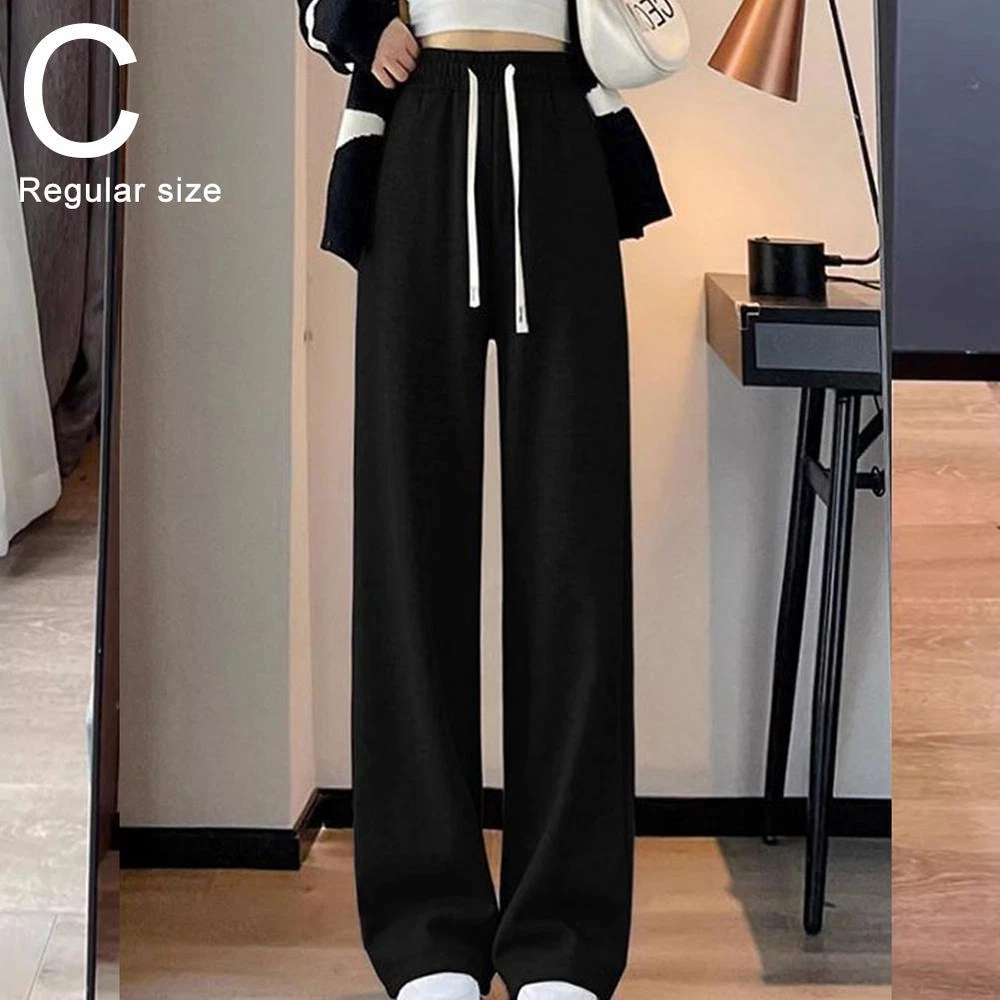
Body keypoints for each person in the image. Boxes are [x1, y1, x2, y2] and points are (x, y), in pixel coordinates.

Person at [297, 2, 671, 999]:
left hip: (559, 126)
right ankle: (427, 928)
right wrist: (354, 21)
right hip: (418, 123)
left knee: (576, 543)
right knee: (407, 535)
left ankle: (565, 933)